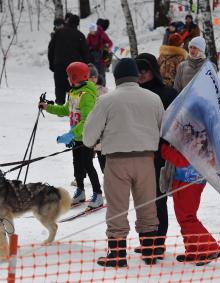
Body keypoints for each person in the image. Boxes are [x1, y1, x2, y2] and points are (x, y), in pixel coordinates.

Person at [83, 58, 164, 267]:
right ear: (137, 76)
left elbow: (88, 136)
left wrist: (96, 143)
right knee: (147, 204)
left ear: (116, 77)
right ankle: (150, 251)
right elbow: (163, 129)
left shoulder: (107, 100)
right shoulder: (153, 99)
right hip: (146, 159)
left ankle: (117, 255)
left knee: (117, 208)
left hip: (117, 161)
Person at [163, 36, 220, 265]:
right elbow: (177, 90)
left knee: (186, 213)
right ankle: (194, 249)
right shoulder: (182, 66)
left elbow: (213, 94)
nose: (193, 51)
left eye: (197, 48)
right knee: (182, 213)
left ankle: (208, 247)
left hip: (198, 117)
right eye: (191, 48)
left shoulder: (209, 67)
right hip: (184, 113)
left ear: (203, 50)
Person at [39, 62, 103, 209]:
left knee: (88, 164)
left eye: (69, 76)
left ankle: (98, 194)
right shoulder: (73, 92)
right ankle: (80, 191)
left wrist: (70, 134)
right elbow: (64, 110)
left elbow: (87, 120)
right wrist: (47, 107)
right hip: (76, 137)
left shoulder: (86, 95)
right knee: (77, 165)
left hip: (87, 136)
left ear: (75, 77)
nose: (67, 78)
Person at [134, 53, 178, 259]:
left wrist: (164, 147)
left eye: (145, 70)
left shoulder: (168, 93)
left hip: (159, 154)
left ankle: (158, 242)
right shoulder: (132, 93)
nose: (141, 74)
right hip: (136, 153)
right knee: (142, 199)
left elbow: (176, 125)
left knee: (157, 199)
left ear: (153, 70)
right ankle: (146, 240)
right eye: (137, 70)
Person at [48, 14, 89, 105]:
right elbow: (85, 53)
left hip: (59, 64)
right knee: (73, 86)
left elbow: (51, 49)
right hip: (74, 67)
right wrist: (85, 65)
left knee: (59, 85)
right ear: (77, 24)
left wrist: (52, 64)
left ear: (68, 21)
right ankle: (72, 105)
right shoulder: (80, 35)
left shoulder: (58, 33)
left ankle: (60, 104)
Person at [86, 22, 112, 86]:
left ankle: (103, 88)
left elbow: (109, 43)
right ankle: (93, 89)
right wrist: (89, 49)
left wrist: (106, 47)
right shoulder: (89, 35)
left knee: (101, 74)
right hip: (93, 58)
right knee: (93, 75)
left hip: (102, 58)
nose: (91, 33)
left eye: (92, 31)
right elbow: (86, 45)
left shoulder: (102, 34)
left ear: (95, 30)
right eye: (90, 31)